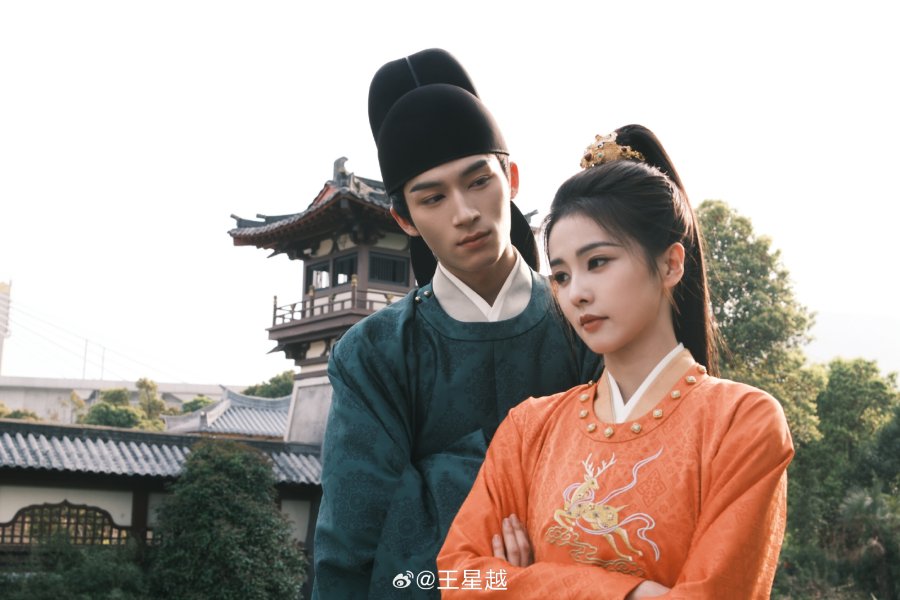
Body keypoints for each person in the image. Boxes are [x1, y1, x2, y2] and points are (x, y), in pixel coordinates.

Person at [437, 126, 794, 598]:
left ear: (670, 264)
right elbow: (457, 575)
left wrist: (523, 582)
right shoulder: (529, 429)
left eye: (598, 262)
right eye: (561, 275)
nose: (576, 293)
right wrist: (634, 593)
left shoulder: (741, 423)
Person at [312, 49, 601, 599]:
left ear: (511, 178)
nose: (464, 212)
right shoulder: (373, 353)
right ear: (404, 218)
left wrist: (433, 480)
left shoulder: (585, 320)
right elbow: (351, 548)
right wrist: (528, 480)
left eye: (478, 181)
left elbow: (621, 489)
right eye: (433, 197)